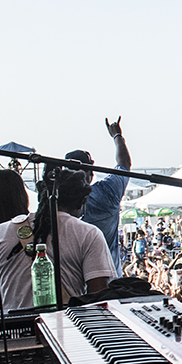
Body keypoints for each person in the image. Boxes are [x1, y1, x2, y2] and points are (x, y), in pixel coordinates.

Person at [0, 167, 114, 311]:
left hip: (13, 328)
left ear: (41, 196)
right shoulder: (89, 233)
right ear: (82, 202)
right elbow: (98, 298)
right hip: (66, 327)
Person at [67, 117, 132, 277]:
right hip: (110, 276)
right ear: (91, 172)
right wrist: (117, 135)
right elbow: (124, 164)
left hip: (76, 281)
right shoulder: (108, 191)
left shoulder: (61, 201)